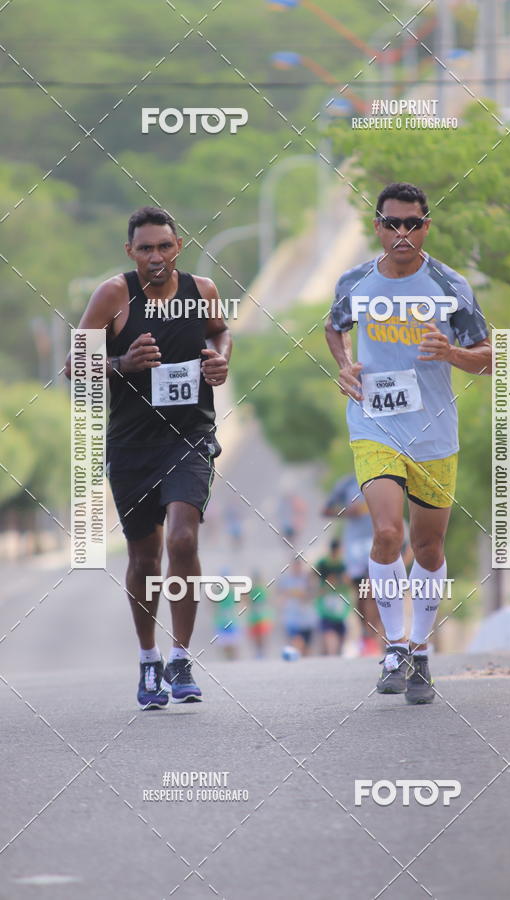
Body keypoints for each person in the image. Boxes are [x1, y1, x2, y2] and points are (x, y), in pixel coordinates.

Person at [325, 182, 491, 703]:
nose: (402, 233)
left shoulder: (450, 285)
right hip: (374, 422)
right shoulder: (356, 281)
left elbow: (488, 356)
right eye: (392, 223)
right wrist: (345, 365)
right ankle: (394, 645)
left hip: (435, 432)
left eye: (412, 224)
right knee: (387, 532)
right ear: (377, 227)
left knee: (429, 546)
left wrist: (452, 354)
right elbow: (334, 327)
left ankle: (420, 649)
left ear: (426, 226)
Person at [65, 206, 231, 709]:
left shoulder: (201, 290)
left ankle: (181, 658)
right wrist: (120, 362)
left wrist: (221, 358)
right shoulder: (114, 295)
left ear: (178, 246)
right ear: (129, 251)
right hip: (132, 443)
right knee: (143, 558)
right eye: (145, 248)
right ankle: (148, 659)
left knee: (182, 538)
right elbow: (75, 366)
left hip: (190, 436)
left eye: (164, 246)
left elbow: (219, 331)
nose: (155, 257)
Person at [322, 473, 413, 656]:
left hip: (380, 540)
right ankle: (368, 633)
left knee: (372, 590)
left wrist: (401, 564)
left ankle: (377, 637)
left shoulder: (390, 476)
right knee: (362, 595)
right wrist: (347, 511)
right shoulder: (347, 483)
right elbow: (326, 510)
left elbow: (411, 546)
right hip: (355, 548)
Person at [315, 539, 352, 656]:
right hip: (327, 601)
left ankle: (332, 655)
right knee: (329, 633)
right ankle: (331, 655)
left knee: (339, 634)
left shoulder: (343, 563)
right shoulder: (324, 563)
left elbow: (348, 581)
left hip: (339, 603)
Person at [278, 557, 319, 656]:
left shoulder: (308, 578)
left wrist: (303, 594)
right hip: (292, 618)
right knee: (297, 642)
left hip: (307, 619)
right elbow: (280, 596)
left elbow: (312, 594)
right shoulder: (286, 579)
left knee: (307, 648)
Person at [246, 574, 273, 659]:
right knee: (257, 637)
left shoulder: (262, 590)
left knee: (262, 636)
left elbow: (267, 602)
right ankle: (259, 653)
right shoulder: (252, 591)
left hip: (262, 617)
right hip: (254, 617)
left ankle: (262, 653)